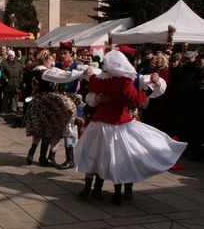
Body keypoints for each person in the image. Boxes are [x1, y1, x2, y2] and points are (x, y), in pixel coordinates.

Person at [76, 50, 187, 205]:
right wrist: (150, 88)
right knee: (119, 158)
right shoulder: (124, 81)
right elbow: (135, 101)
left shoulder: (98, 79)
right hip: (118, 124)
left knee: (95, 156)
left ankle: (92, 189)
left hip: (98, 124)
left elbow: (91, 84)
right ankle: (117, 194)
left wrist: (89, 77)